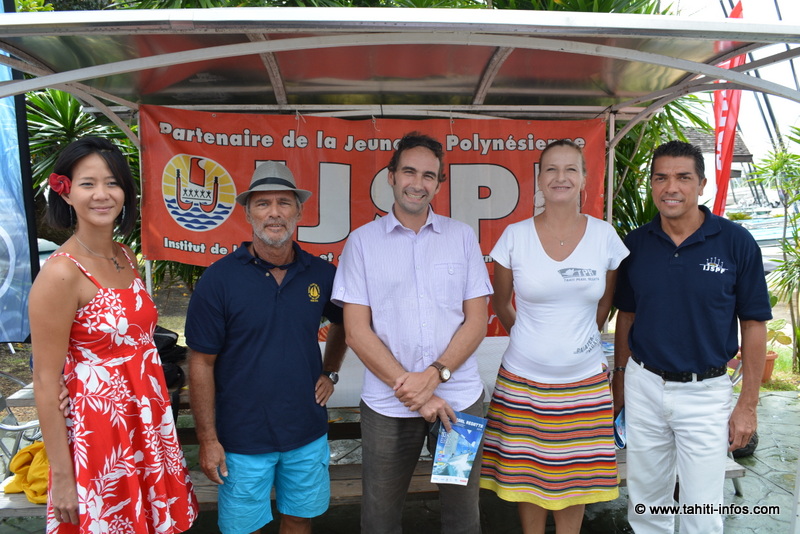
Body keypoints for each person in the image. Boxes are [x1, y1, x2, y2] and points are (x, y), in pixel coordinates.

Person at [29, 136, 198, 533]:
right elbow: (44, 380)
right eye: (88, 183)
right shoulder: (61, 272)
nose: (102, 194)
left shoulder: (124, 255)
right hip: (100, 429)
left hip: (146, 418)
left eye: (112, 183)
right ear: (66, 192)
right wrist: (64, 477)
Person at [332, 132, 493, 533]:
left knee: (462, 517)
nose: (417, 183)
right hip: (388, 408)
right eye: (409, 172)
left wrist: (432, 378)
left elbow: (477, 321)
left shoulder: (461, 237)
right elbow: (355, 331)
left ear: (439, 184)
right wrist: (415, 391)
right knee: (380, 518)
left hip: (458, 405)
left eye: (428, 175)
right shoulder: (362, 243)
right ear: (391, 176)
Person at [613, 140, 772, 534]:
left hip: (706, 392)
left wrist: (747, 404)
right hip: (645, 385)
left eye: (683, 177)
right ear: (651, 185)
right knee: (646, 504)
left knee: (702, 510)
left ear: (701, 184)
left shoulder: (735, 242)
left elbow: (754, 324)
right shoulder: (636, 244)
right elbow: (627, 317)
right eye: (661, 178)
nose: (671, 187)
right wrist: (621, 381)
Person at [185, 161, 347, 534]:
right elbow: (200, 363)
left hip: (305, 431)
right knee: (244, 528)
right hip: (242, 437)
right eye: (263, 203)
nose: (274, 212)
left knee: (298, 519)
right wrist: (207, 440)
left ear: (299, 212)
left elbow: (344, 322)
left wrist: (330, 371)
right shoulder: (218, 280)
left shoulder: (322, 274)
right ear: (248, 213)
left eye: (284, 203)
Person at [479, 139, 627, 533]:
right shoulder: (514, 236)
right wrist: (533, 340)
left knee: (576, 482)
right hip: (523, 382)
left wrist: (575, 343)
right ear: (539, 179)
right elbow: (501, 303)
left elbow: (604, 305)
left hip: (585, 383)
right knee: (526, 481)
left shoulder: (605, 236)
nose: (561, 177)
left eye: (570, 169)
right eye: (551, 169)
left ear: (584, 178)